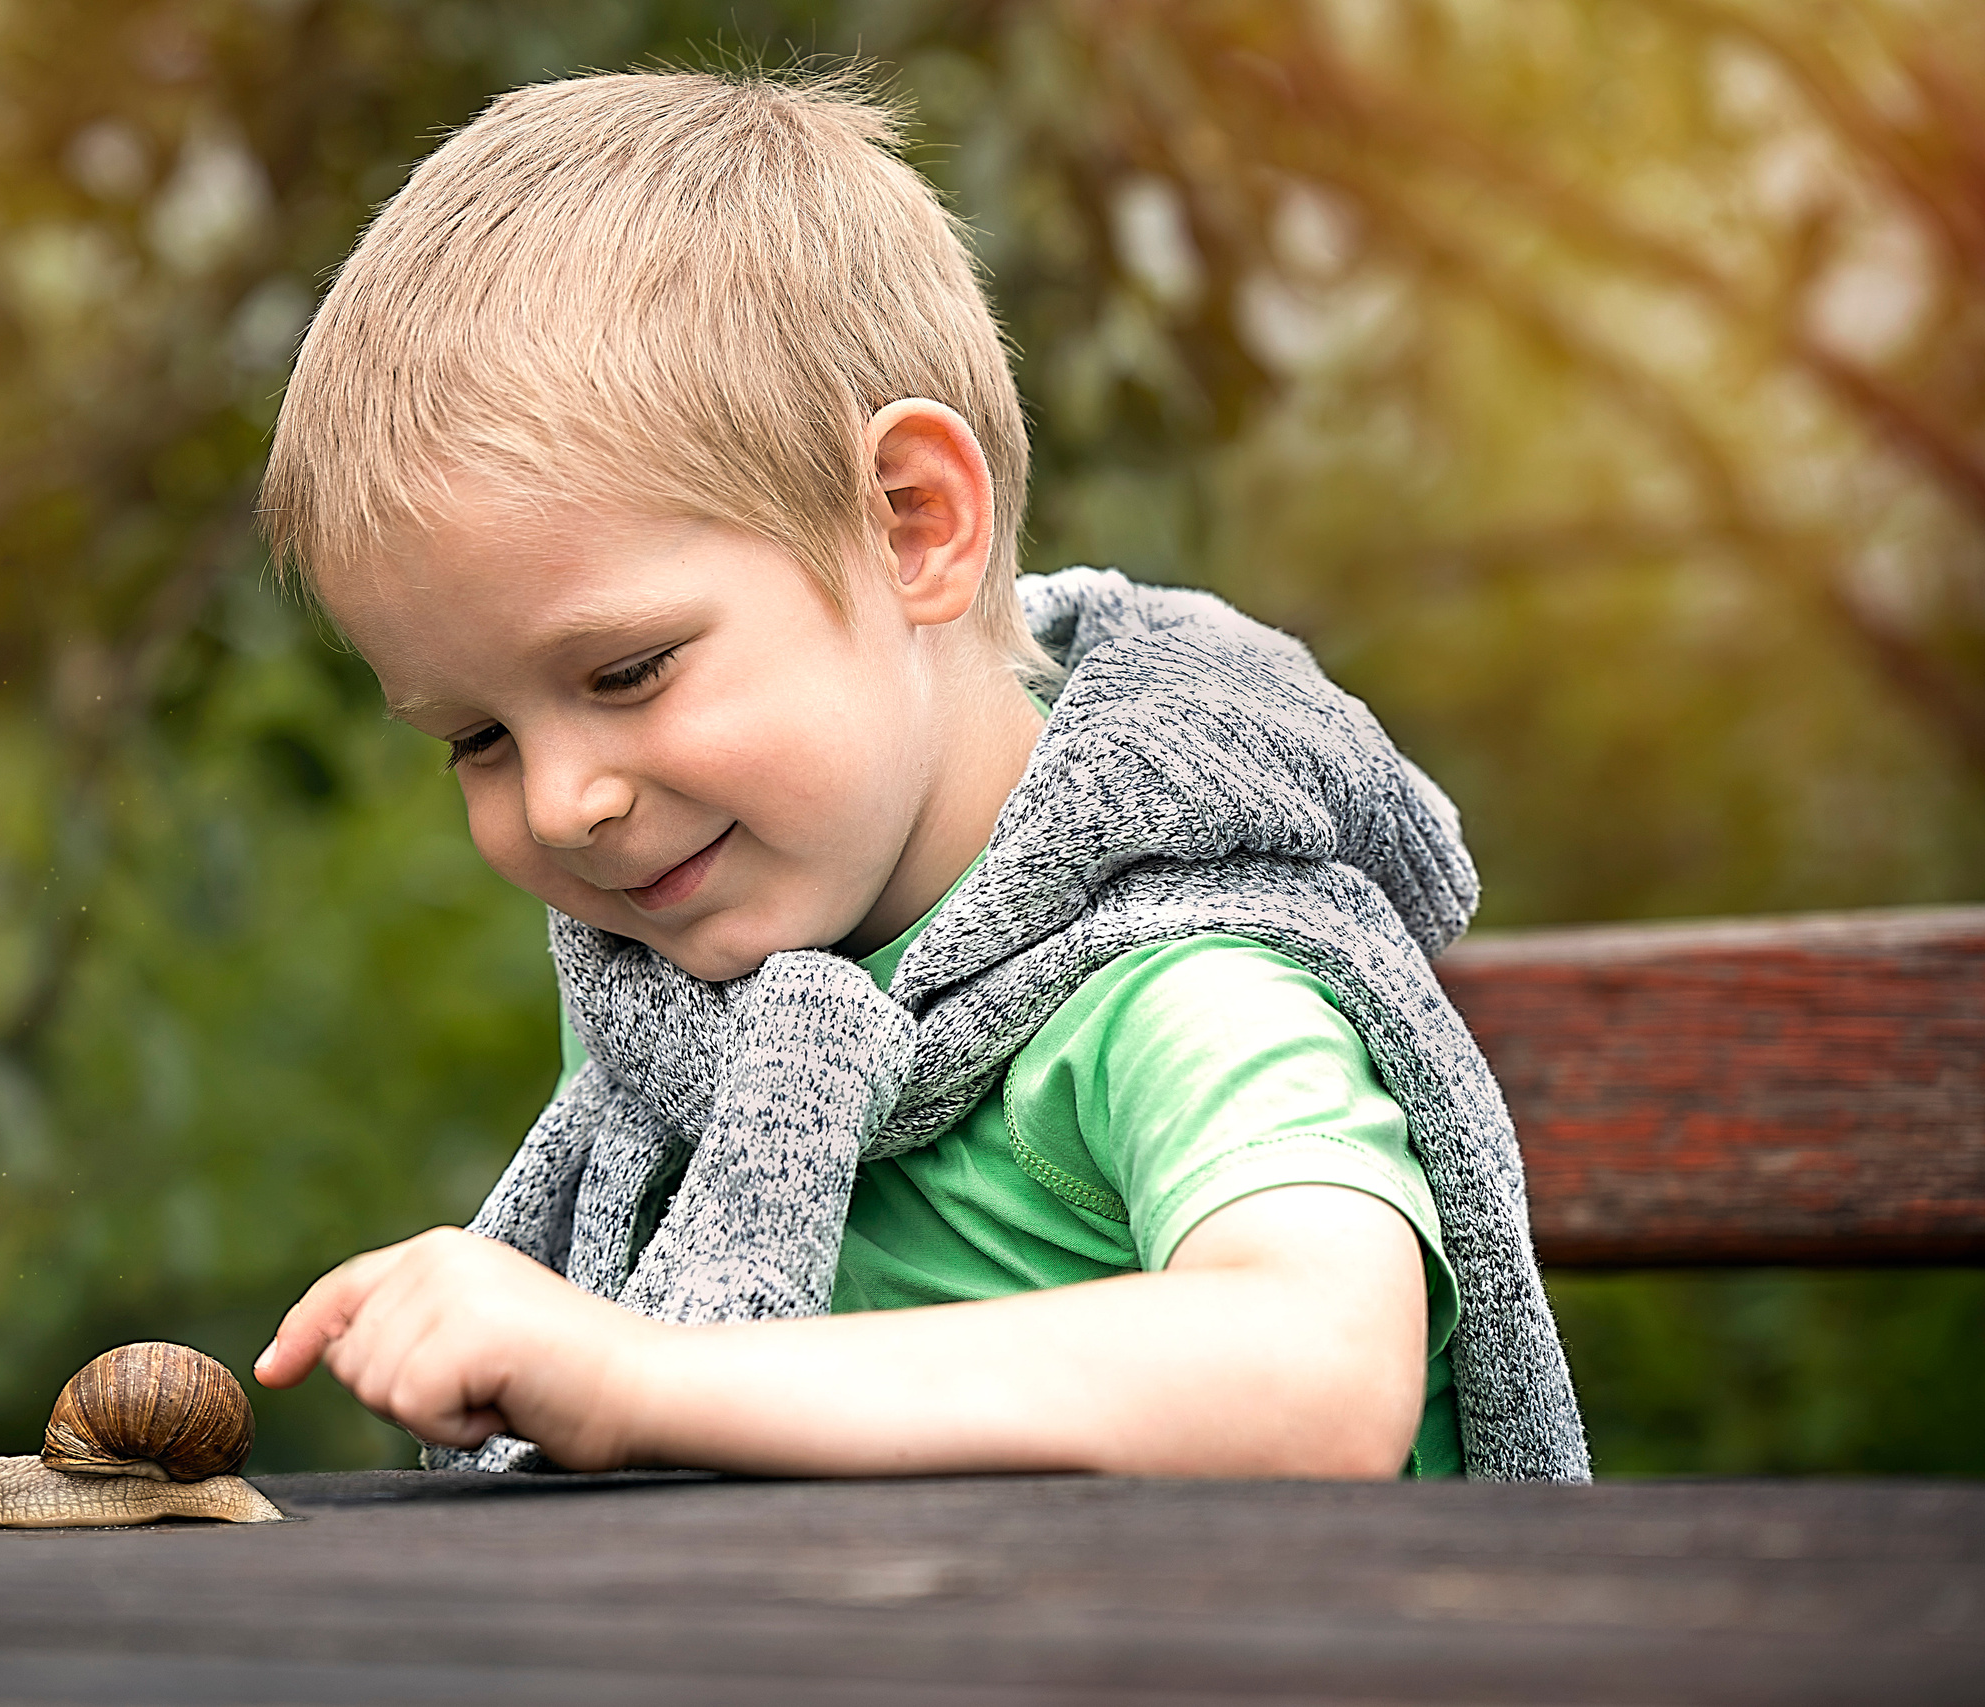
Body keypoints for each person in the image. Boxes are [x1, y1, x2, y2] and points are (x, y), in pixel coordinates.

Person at [249, 68, 1588, 1481]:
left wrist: (643, 1374)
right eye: (478, 739)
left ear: (911, 525)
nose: (562, 803)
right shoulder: (684, 995)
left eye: (628, 672)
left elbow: (1319, 1382)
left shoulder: (1175, 986)